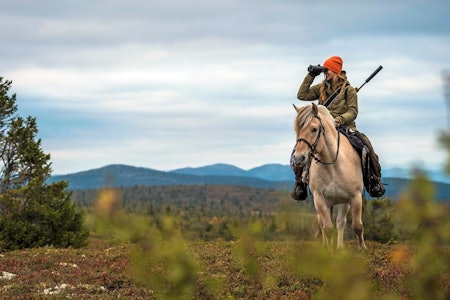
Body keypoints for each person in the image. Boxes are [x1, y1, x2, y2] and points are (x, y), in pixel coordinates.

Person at [291, 55, 385, 201]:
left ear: (336, 72)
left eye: (327, 71)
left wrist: (338, 120)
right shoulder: (321, 88)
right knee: (301, 147)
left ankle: (373, 180)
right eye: (324, 71)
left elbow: (353, 111)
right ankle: (300, 183)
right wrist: (311, 75)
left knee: (365, 145)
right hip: (323, 128)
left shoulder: (349, 91)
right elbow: (301, 95)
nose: (325, 73)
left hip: (345, 127)